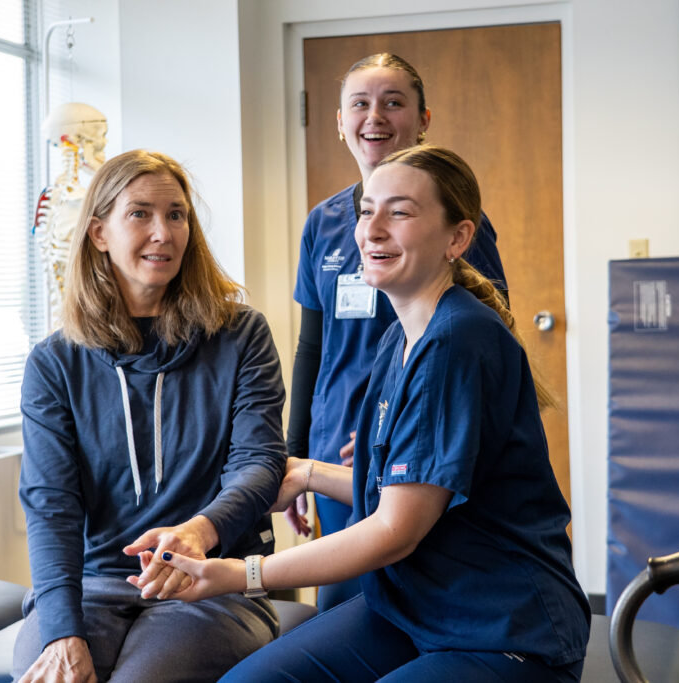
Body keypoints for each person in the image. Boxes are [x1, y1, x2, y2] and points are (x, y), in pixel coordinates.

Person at [142, 145, 590, 682]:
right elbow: (408, 488)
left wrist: (242, 574)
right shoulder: (398, 338)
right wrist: (307, 472)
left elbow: (394, 528)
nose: (371, 230)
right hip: (413, 607)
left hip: (501, 627)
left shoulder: (456, 342)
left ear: (458, 238)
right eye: (366, 210)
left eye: (399, 212)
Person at [14, 149, 287, 682]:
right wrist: (62, 631)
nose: (164, 232)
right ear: (99, 233)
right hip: (95, 584)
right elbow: (51, 505)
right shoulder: (54, 362)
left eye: (177, 214)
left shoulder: (241, 335)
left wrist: (201, 531)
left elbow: (259, 463)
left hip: (212, 579)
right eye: (140, 213)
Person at [286, 53, 509, 611]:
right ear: (339, 121)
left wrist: (402, 432)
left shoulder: (454, 221)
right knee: (341, 612)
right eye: (359, 103)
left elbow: (491, 338)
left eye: (393, 102)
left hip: (417, 451)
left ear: (423, 118)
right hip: (335, 451)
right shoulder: (324, 223)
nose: (374, 116)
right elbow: (312, 347)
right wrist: (294, 459)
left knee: (413, 610)